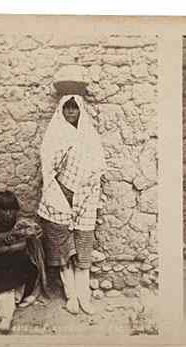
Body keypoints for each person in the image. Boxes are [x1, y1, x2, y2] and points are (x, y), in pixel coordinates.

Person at [37, 94, 107, 315]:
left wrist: (85, 189)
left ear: (80, 111)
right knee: (65, 250)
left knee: (83, 248)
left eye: (74, 108)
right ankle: (72, 297)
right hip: (60, 195)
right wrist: (60, 191)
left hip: (86, 196)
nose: (70, 112)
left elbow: (97, 165)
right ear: (61, 111)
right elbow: (48, 164)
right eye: (66, 108)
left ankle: (84, 297)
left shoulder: (89, 136)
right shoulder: (55, 134)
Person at [0, 191, 47, 334]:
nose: (8, 214)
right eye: (4, 210)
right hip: (1, 265)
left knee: (31, 273)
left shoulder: (20, 225)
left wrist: (22, 238)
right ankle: (6, 317)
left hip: (19, 264)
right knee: (5, 285)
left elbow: (25, 244)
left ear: (16, 210)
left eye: (11, 210)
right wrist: (8, 243)